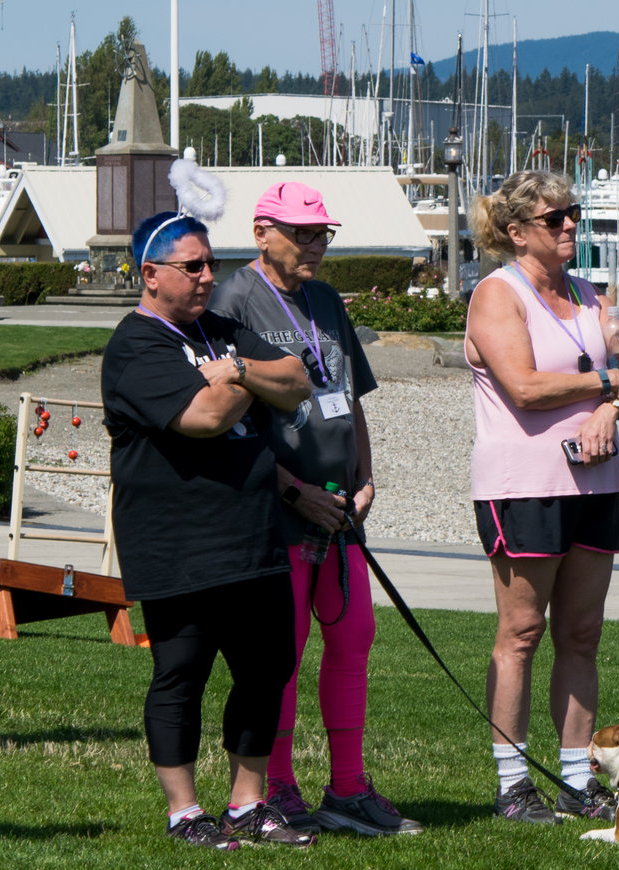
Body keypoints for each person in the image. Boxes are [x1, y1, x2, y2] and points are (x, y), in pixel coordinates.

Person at [205, 181, 415, 837]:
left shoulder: (325, 299)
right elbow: (227, 420)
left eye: (322, 234)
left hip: (341, 508)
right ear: (262, 231)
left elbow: (348, 395)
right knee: (281, 655)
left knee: (353, 640)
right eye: (301, 233)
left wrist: (366, 477)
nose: (314, 245)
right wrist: (296, 490)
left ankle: (348, 788)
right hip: (277, 508)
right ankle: (279, 787)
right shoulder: (232, 299)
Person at [103, 209, 316, 850]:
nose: (206, 277)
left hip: (251, 536)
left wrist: (239, 370)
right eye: (191, 267)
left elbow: (299, 376)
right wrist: (246, 380)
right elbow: (203, 418)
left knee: (268, 667)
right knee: (183, 671)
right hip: (178, 541)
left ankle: (247, 804)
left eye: (210, 265)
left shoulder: (223, 331)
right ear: (150, 274)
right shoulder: (136, 345)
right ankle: (184, 812)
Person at [463, 170, 619, 825]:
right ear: (518, 232)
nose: (570, 225)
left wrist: (611, 408)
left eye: (573, 214)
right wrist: (607, 383)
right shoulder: (498, 294)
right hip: (524, 486)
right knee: (521, 633)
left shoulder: (590, 295)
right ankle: (514, 781)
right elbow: (522, 385)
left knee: (581, 633)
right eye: (555, 219)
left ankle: (578, 781)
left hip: (595, 482)